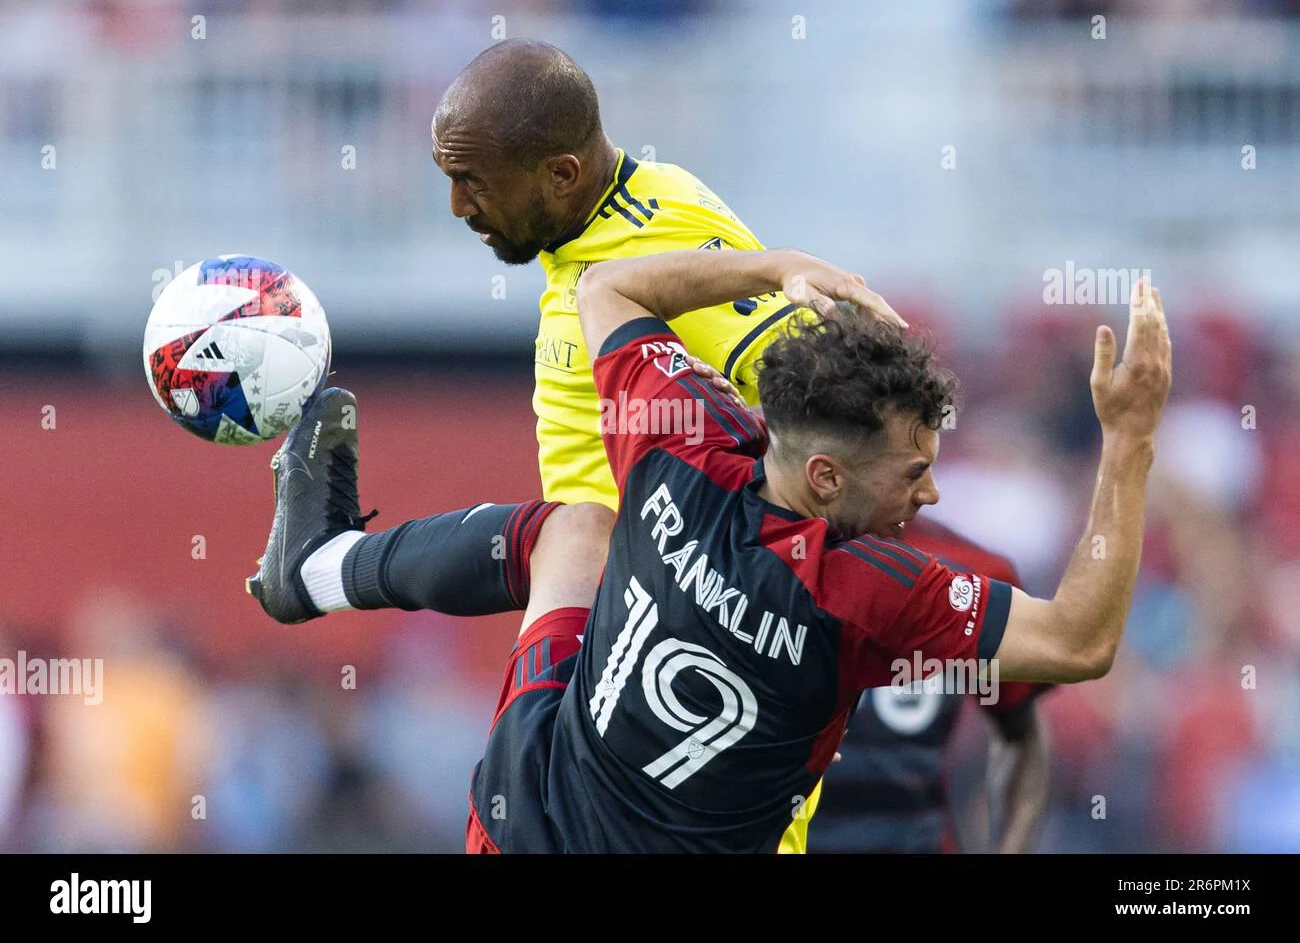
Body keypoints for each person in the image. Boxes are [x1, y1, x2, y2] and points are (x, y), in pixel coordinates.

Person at [255, 245, 1170, 851]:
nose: (930, 492)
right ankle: (315, 569)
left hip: (519, 813)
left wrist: (776, 267)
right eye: (913, 472)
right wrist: (1126, 441)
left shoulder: (678, 447)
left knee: (577, 528)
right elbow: (1082, 642)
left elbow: (606, 286)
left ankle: (320, 569)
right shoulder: (873, 589)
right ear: (824, 480)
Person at [806, 516, 1051, 853]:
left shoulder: (976, 574)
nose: (930, 492)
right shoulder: (766, 550)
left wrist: (1011, 845)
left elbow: (1021, 733)